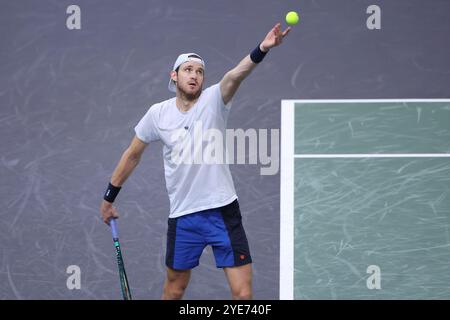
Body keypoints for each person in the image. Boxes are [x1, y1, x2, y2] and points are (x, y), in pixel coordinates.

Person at [100, 22, 290, 300]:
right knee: (174, 290)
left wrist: (262, 49)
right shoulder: (158, 114)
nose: (195, 75)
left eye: (200, 72)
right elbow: (132, 154)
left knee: (243, 295)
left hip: (223, 212)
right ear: (174, 76)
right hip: (184, 215)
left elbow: (235, 75)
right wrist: (109, 197)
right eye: (188, 70)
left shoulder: (214, 100)